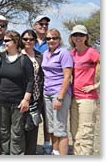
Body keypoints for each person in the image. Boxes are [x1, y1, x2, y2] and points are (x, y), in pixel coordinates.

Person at [0, 30, 34, 155]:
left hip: (18, 103)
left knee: (17, 133)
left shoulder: (24, 60)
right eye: (4, 40)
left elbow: (30, 81)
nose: (4, 43)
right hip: (1, 101)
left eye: (7, 40)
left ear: (16, 42)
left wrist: (26, 99)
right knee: (3, 132)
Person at [69, 25, 100, 155]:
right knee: (75, 132)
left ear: (86, 37)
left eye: (81, 35)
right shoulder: (71, 53)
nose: (78, 37)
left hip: (87, 99)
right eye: (75, 35)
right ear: (72, 38)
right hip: (73, 97)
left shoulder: (92, 52)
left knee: (86, 133)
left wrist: (96, 85)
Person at [42, 28, 73, 156]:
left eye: (54, 38)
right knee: (51, 127)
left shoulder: (63, 53)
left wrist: (60, 97)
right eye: (48, 38)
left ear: (59, 40)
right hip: (47, 93)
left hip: (59, 93)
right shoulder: (45, 53)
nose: (51, 41)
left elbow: (67, 76)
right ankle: (55, 152)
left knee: (60, 128)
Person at [20, 29, 45, 155]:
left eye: (31, 39)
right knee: (20, 127)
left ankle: (31, 153)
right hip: (20, 96)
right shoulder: (18, 54)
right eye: (25, 39)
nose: (28, 41)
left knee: (33, 126)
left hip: (36, 96)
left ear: (35, 41)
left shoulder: (40, 56)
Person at [32, 15, 52, 154]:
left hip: (48, 85)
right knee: (33, 116)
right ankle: (31, 145)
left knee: (48, 117)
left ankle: (46, 144)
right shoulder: (29, 40)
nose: (44, 26)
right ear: (35, 25)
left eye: (46, 24)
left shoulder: (51, 41)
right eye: (41, 24)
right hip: (32, 85)